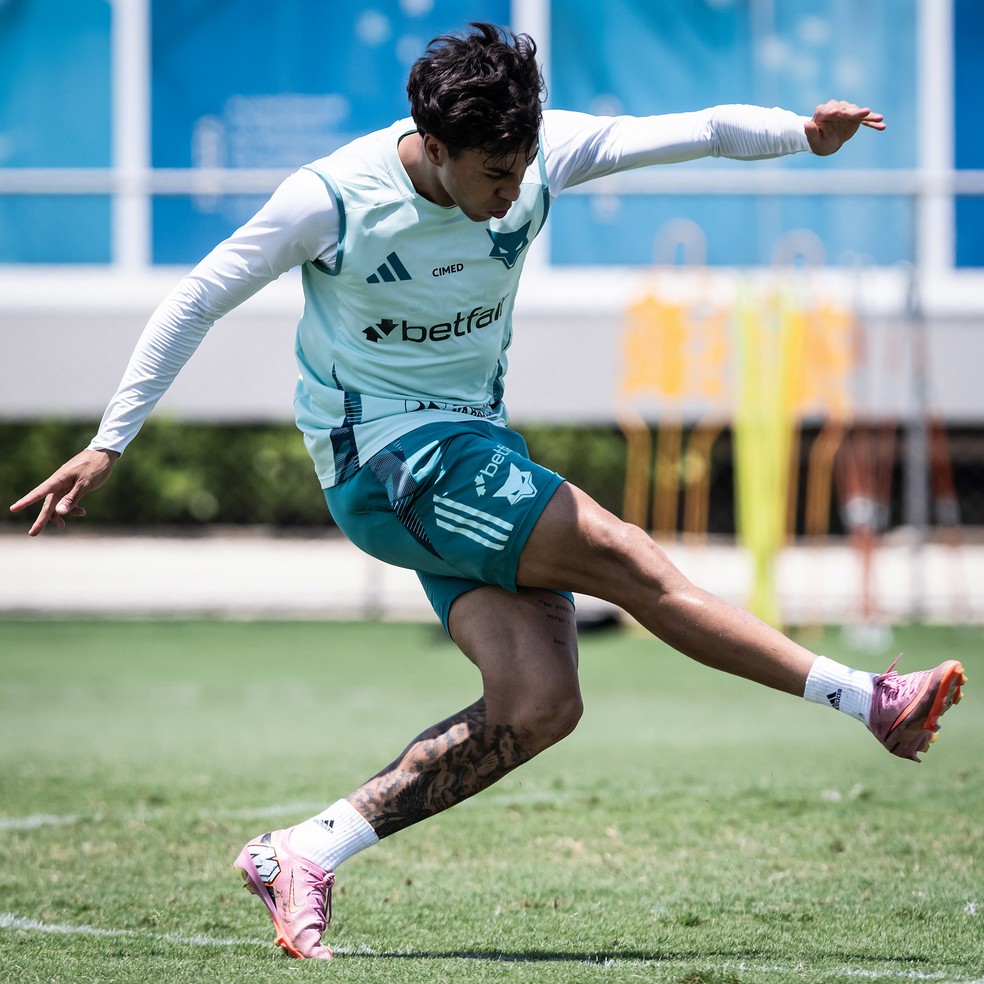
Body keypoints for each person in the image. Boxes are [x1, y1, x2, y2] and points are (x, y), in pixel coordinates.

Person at [9, 22, 967, 961]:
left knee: (540, 702)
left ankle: (302, 852)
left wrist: (801, 132)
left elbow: (698, 129)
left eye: (521, 171)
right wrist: (110, 441)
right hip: (385, 459)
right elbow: (197, 294)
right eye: (492, 176)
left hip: (468, 442)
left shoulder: (539, 152)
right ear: (435, 147)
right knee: (623, 555)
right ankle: (869, 698)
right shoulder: (334, 198)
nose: (511, 196)